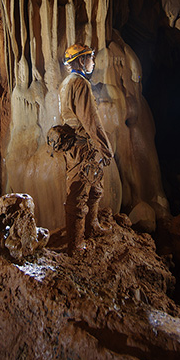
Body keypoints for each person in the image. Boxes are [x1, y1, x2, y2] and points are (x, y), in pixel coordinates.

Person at [59, 43, 114, 256]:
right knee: (78, 194)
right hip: (82, 147)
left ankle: (92, 227)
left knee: (94, 187)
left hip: (80, 146)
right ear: (81, 61)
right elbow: (91, 120)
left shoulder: (66, 83)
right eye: (90, 57)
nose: (93, 61)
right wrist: (105, 148)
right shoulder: (80, 84)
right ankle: (75, 245)